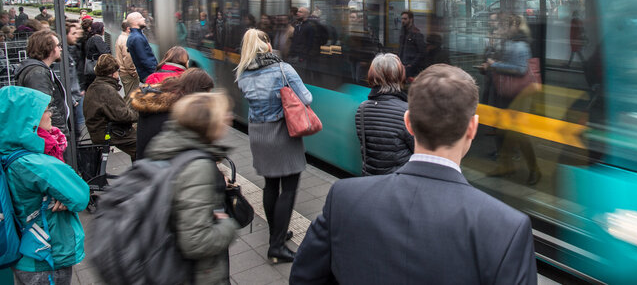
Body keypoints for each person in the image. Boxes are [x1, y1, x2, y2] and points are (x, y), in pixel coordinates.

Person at [291, 64, 538, 284]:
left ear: (408, 122)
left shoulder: (344, 198)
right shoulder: (508, 228)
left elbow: (303, 277)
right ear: (472, 127)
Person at [144, 93, 239, 284]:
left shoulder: (169, 146)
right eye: (224, 115)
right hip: (193, 274)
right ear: (209, 124)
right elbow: (195, 241)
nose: (230, 118)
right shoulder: (197, 165)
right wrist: (228, 226)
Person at [0, 86, 90, 285]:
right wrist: (62, 191)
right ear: (26, 119)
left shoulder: (8, 152)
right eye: (44, 110)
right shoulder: (35, 164)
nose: (50, 114)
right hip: (45, 256)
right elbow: (80, 194)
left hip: (26, 252)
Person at [236, 29, 311, 264]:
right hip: (282, 133)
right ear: (267, 45)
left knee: (270, 186)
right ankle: (276, 246)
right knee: (288, 189)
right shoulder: (282, 69)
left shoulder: (243, 73)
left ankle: (276, 234)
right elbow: (306, 99)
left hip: (258, 133)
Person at [482, 15, 541, 185]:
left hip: (518, 96)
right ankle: (505, 166)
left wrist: (494, 65)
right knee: (502, 132)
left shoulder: (520, 45)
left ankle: (534, 170)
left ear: (514, 27)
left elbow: (521, 69)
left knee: (519, 134)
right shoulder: (508, 43)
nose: (501, 30)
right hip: (505, 94)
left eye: (504, 27)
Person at [130, 68, 214, 160]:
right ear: (197, 93)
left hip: (145, 165)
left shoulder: (160, 104)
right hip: (160, 169)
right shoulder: (176, 114)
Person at [354, 54, 413, 176]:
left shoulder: (362, 109)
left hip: (371, 180)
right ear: (399, 76)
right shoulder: (406, 111)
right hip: (398, 181)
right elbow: (418, 150)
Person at [13, 30, 70, 136]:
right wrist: (61, 133)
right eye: (58, 45)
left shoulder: (39, 70)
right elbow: (46, 105)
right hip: (49, 135)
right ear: (48, 49)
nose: (61, 48)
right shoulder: (37, 73)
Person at [83, 54, 139, 161]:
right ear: (113, 74)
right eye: (117, 71)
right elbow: (123, 115)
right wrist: (139, 114)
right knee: (141, 145)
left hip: (100, 129)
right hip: (108, 132)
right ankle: (142, 173)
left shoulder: (95, 86)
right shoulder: (106, 90)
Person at [64, 23, 84, 138]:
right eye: (73, 33)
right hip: (73, 99)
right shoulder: (65, 55)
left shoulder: (72, 49)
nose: (76, 36)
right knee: (75, 131)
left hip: (75, 96)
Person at [126, 11, 158, 82]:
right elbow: (145, 59)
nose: (144, 19)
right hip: (149, 75)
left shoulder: (135, 36)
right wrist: (156, 73)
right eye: (140, 17)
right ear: (134, 22)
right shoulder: (137, 38)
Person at [114, 20, 140, 98]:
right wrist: (134, 73)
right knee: (131, 99)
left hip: (124, 73)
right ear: (128, 29)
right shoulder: (126, 40)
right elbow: (128, 59)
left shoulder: (121, 37)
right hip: (129, 74)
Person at [397, 11, 426, 78]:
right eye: (402, 19)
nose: (402, 21)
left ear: (411, 19)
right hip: (402, 64)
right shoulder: (402, 32)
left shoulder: (416, 33)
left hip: (411, 66)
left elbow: (422, 52)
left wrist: (412, 64)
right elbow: (401, 48)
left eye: (405, 19)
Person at [82, 21, 111, 90]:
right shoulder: (97, 39)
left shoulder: (90, 38)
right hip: (96, 69)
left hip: (90, 68)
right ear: (101, 29)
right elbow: (105, 52)